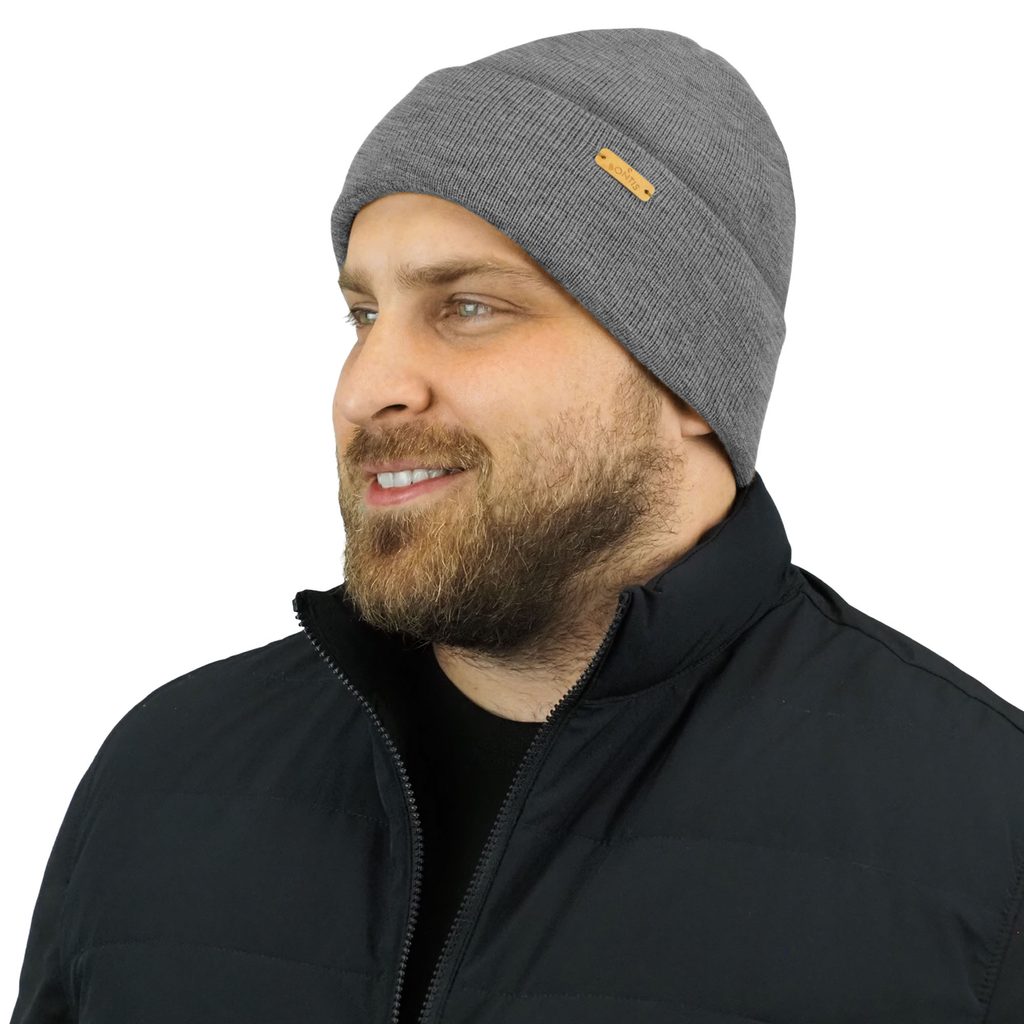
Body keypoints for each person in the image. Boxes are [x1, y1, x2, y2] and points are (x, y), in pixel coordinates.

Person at [10, 27, 1023, 1024]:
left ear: (687, 375)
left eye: (467, 307)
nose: (366, 387)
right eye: (364, 314)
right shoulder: (168, 773)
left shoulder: (982, 836)